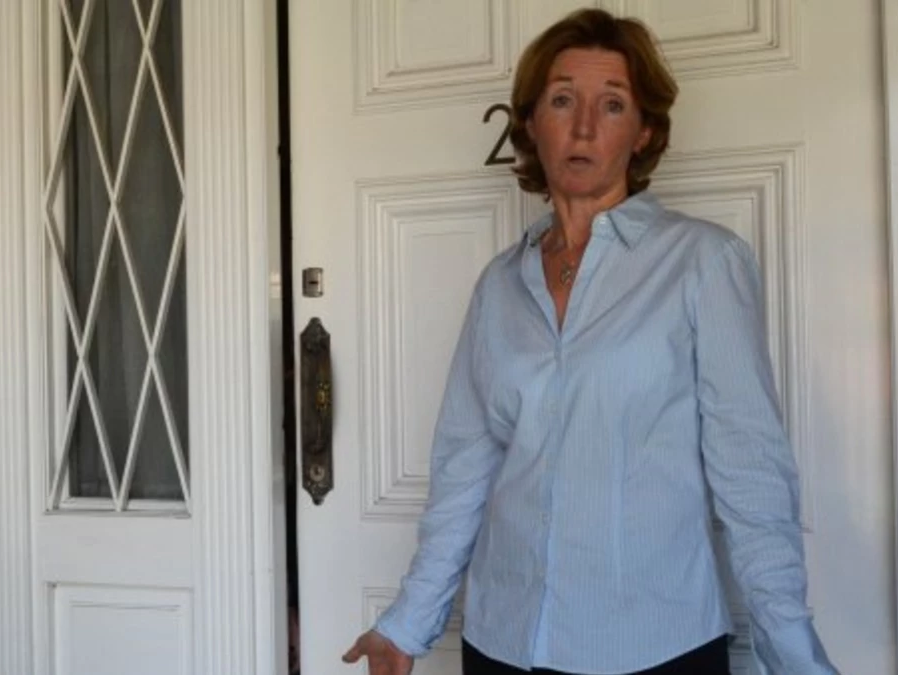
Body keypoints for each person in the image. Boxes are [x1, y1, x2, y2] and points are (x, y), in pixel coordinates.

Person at [342, 8, 837, 675]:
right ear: (529, 124)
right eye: (561, 100)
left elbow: (751, 472)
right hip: (505, 641)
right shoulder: (499, 286)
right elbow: (465, 469)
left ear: (644, 132)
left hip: (654, 646)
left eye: (612, 104)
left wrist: (795, 655)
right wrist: (406, 623)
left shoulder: (702, 263)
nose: (582, 127)